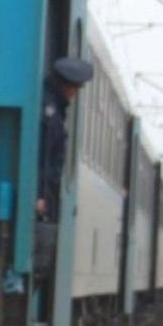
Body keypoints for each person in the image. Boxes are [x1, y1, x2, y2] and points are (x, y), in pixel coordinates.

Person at [36, 55, 95, 222]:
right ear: (66, 85)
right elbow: (44, 155)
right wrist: (40, 194)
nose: (74, 94)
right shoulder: (52, 112)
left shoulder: (54, 106)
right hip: (42, 196)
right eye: (75, 88)